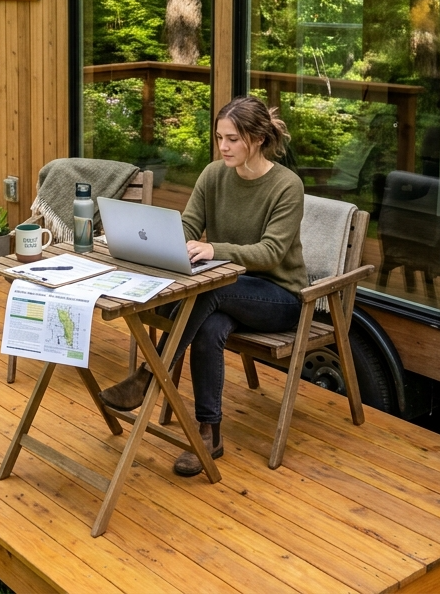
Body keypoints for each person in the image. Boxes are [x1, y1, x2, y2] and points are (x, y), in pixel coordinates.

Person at [99, 95, 306, 476]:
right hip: (225, 291)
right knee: (208, 324)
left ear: (257, 139)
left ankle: (149, 376)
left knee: (206, 292)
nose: (223, 147)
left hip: (279, 298)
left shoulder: (286, 186)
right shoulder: (214, 175)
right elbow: (189, 226)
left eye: (232, 139)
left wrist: (214, 248)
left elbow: (272, 252)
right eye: (219, 138)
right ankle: (209, 432)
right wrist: (159, 240)